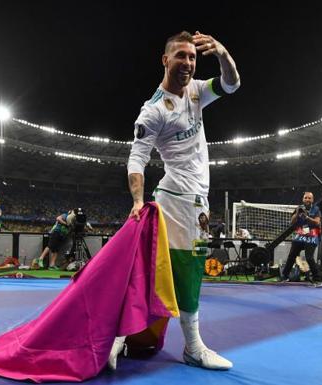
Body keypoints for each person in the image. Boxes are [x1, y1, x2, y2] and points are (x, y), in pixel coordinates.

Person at [123, 30, 240, 371]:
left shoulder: (196, 91)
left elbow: (231, 84)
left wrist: (221, 51)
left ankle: (120, 337)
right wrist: (136, 200)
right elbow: (136, 158)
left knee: (157, 273)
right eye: (181, 56)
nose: (188, 62)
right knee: (188, 272)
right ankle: (193, 348)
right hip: (180, 201)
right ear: (165, 60)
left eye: (192, 56)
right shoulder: (154, 111)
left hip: (194, 199)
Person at [279, 192, 322, 287]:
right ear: (303, 199)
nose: (307, 199)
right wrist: (297, 213)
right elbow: (292, 222)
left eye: (309, 198)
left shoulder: (316, 209)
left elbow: (317, 222)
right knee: (292, 255)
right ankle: (284, 276)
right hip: (300, 235)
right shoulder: (298, 208)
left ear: (312, 200)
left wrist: (307, 217)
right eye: (306, 198)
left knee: (309, 258)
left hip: (312, 236)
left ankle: (318, 280)